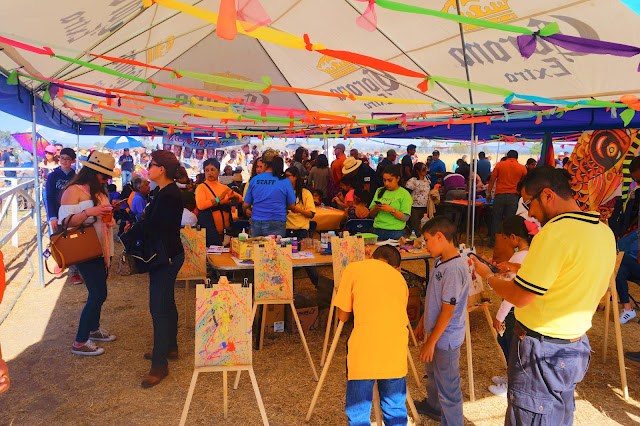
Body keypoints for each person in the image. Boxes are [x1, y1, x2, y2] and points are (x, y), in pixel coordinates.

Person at [472, 165, 616, 425]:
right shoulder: (602, 231)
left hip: (542, 350)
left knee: (530, 417)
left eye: (528, 204)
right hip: (574, 345)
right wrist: (519, 268)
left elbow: (521, 296)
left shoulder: (554, 234)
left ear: (548, 195)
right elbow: (570, 273)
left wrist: (489, 277)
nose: (531, 215)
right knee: (558, 416)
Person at [335, 245, 409, 425]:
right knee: (395, 409)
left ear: (372, 257)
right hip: (395, 350)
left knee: (359, 413)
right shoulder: (400, 279)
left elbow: (343, 316)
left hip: (364, 349)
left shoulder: (354, 268)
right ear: (396, 267)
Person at [132, 150, 185, 388]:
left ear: (161, 169)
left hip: (166, 257)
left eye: (150, 165)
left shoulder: (169, 194)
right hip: (167, 254)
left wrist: (136, 226)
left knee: (159, 308)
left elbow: (154, 226)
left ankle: (159, 363)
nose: (147, 168)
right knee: (166, 303)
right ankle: (169, 347)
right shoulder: (163, 191)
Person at [59, 151, 117, 356]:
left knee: (98, 293)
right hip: (86, 249)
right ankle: (80, 340)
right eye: (104, 176)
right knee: (98, 293)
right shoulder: (73, 191)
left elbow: (102, 216)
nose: (106, 180)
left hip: (103, 248)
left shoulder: (99, 191)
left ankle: (93, 329)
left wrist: (109, 209)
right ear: (93, 172)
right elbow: (64, 222)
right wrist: (89, 213)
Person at [414, 216, 470, 424]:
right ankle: (434, 406)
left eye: (426, 240)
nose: (424, 245)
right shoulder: (439, 262)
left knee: (449, 386)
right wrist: (422, 323)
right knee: (434, 375)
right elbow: (433, 298)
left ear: (439, 237)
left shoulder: (454, 269)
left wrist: (431, 342)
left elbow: (447, 311)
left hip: (445, 338)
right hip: (436, 334)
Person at [488, 215, 533, 398]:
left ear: (514, 237)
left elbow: (512, 293)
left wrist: (499, 316)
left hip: (512, 310)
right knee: (508, 344)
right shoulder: (526, 255)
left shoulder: (520, 257)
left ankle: (512, 383)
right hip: (516, 310)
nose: (505, 242)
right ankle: (510, 376)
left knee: (510, 346)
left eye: (506, 238)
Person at [45, 148, 83, 284]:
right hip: (57, 214)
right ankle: (61, 262)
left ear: (73, 161)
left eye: (67, 159)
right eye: (62, 158)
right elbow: (49, 197)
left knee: (73, 242)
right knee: (60, 241)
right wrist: (52, 216)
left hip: (73, 214)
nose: (64, 161)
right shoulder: (52, 176)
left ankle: (74, 271)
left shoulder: (77, 176)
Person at [243, 149, 296, 237]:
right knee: (274, 249)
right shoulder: (285, 181)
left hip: (257, 221)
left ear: (264, 164)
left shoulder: (254, 180)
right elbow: (292, 206)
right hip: (277, 221)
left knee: (257, 249)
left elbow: (245, 205)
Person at [284, 166, 319, 287]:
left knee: (307, 262)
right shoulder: (283, 191)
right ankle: (290, 291)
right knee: (287, 264)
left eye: (288, 176)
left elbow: (311, 214)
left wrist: (297, 209)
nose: (286, 178)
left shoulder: (305, 193)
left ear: (295, 177)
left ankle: (319, 285)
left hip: (301, 231)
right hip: (286, 231)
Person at [196, 158, 243, 246]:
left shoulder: (223, 187)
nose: (210, 172)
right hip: (209, 233)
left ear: (218, 171)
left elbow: (240, 199)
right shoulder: (201, 188)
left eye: (212, 170)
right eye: (207, 170)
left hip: (226, 233)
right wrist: (218, 199)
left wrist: (234, 197)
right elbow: (201, 205)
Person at [486, 150, 527, 245]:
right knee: (510, 222)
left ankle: (494, 242)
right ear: (517, 157)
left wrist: (488, 194)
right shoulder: (522, 168)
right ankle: (508, 244)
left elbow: (492, 179)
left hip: (499, 195)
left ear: (507, 156)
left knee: (496, 219)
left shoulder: (500, 165)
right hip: (513, 197)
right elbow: (525, 183)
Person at [369, 165, 412, 240]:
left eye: (390, 180)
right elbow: (371, 214)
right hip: (377, 230)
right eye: (384, 180)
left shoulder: (404, 194)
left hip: (395, 232)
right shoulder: (379, 191)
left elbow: (405, 217)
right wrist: (376, 208)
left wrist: (391, 210)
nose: (386, 184)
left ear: (397, 179)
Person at [405, 162, 431, 235]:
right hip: (415, 207)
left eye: (426, 168)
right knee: (416, 229)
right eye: (423, 169)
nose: (425, 170)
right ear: (417, 170)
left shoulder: (427, 179)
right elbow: (407, 194)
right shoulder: (413, 181)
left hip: (425, 206)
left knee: (425, 227)